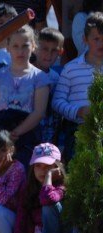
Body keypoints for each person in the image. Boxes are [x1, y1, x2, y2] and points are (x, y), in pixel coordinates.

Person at [0, 25, 51, 167]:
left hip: (28, 136)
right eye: (15, 46)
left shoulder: (40, 78)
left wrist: (15, 133)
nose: (20, 51)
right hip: (0, 137)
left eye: (25, 46)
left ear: (33, 46)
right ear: (7, 47)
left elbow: (39, 112)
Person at [53, 12, 103, 163]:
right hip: (78, 129)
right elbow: (57, 102)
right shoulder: (71, 68)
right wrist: (78, 111)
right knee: (78, 167)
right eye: (96, 39)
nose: (101, 43)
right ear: (85, 39)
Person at [10, 142, 65, 233]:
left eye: (48, 166)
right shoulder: (28, 189)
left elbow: (47, 199)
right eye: (38, 166)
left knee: (48, 207)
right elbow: (21, 220)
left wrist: (49, 177)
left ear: (57, 167)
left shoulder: (62, 186)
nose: (42, 170)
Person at [33, 27, 64, 143]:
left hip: (49, 138)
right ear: (34, 48)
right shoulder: (27, 75)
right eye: (45, 49)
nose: (49, 54)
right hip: (28, 136)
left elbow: (57, 115)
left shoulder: (56, 78)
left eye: (54, 50)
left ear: (60, 52)